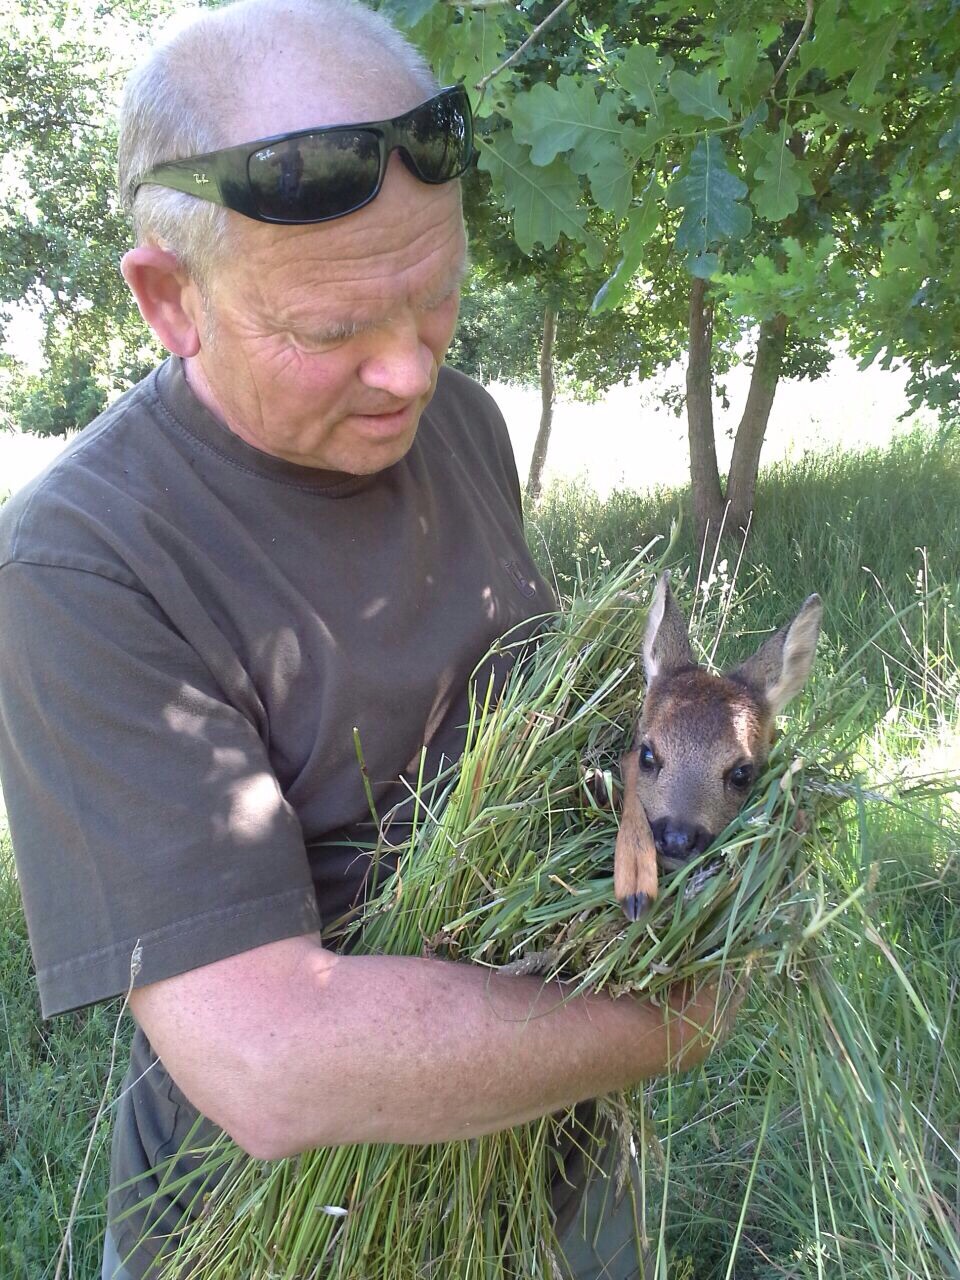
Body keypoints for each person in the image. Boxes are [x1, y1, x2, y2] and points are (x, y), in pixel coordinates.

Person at [0, 2, 731, 1277]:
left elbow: (535, 732)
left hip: (553, 1170)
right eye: (333, 333)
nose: (408, 372)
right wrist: (676, 1018)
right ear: (170, 298)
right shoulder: (80, 567)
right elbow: (271, 1055)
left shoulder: (466, 422)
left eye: (438, 296)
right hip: (282, 1233)